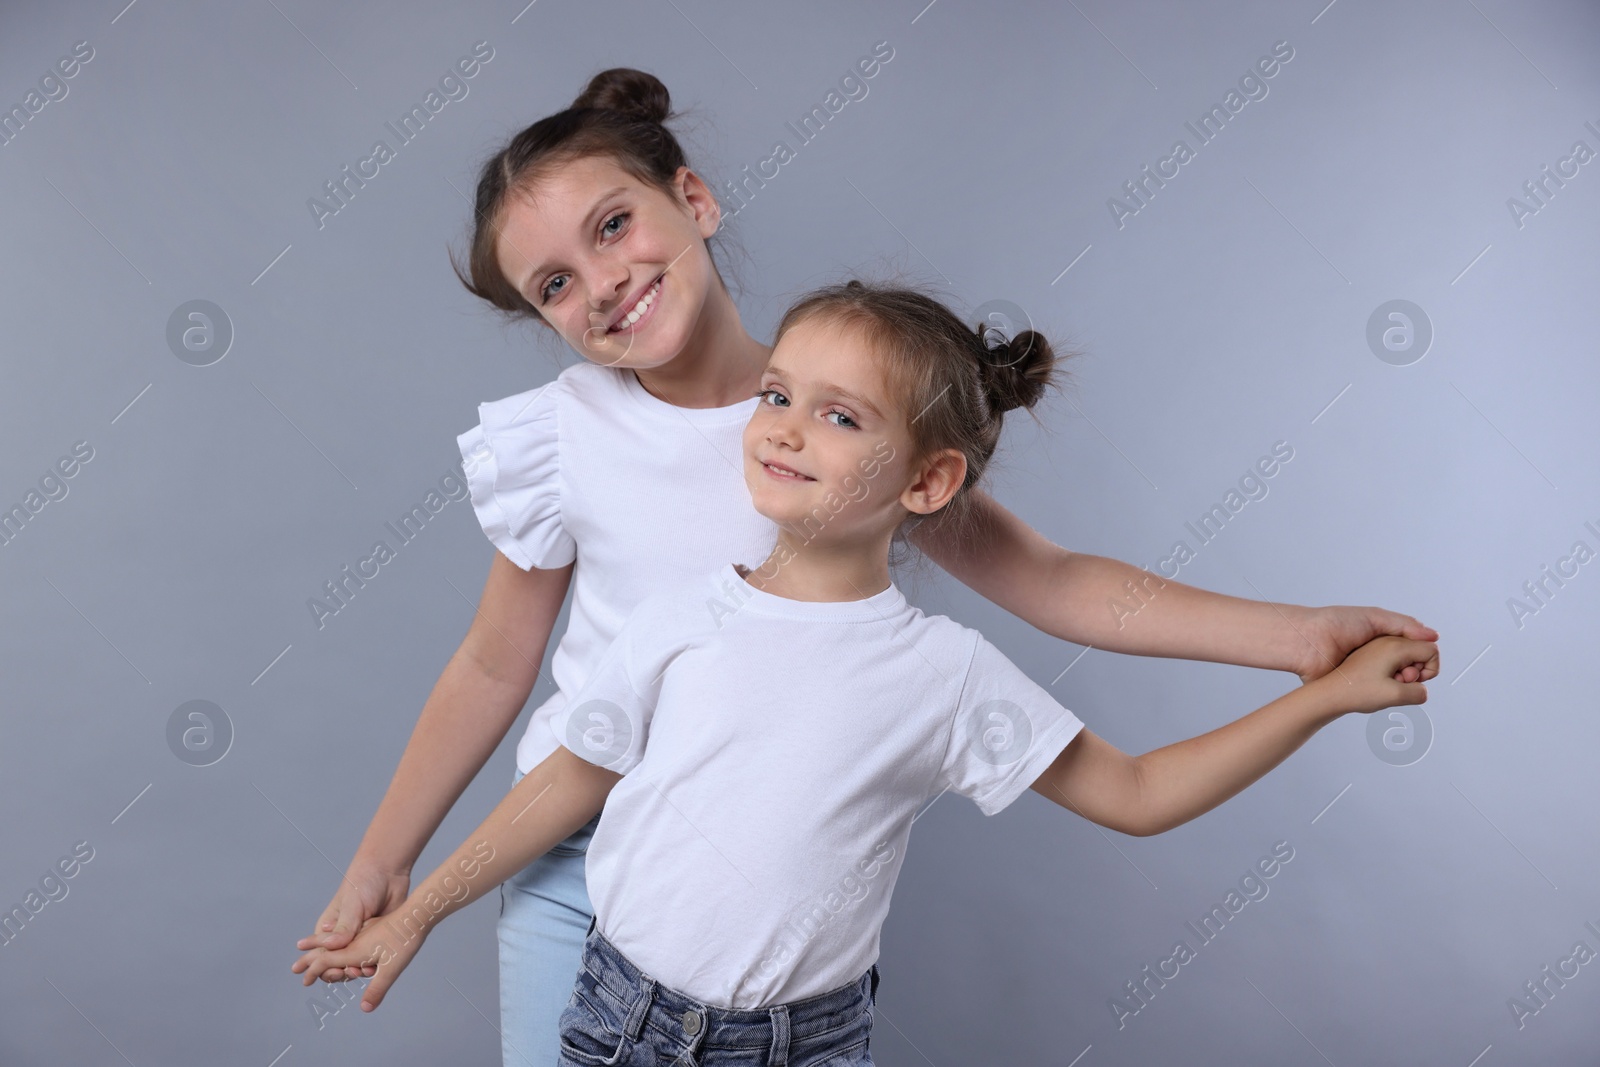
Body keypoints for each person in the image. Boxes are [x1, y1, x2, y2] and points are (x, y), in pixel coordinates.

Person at [294, 68, 1440, 1065]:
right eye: (551, 284)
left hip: (758, 882)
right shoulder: (563, 439)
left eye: (611, 227)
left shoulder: (849, 423)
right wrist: (384, 863)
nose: (597, 284)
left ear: (690, 198)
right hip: (567, 843)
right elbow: (495, 664)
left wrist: (1292, 638)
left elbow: (1054, 581)